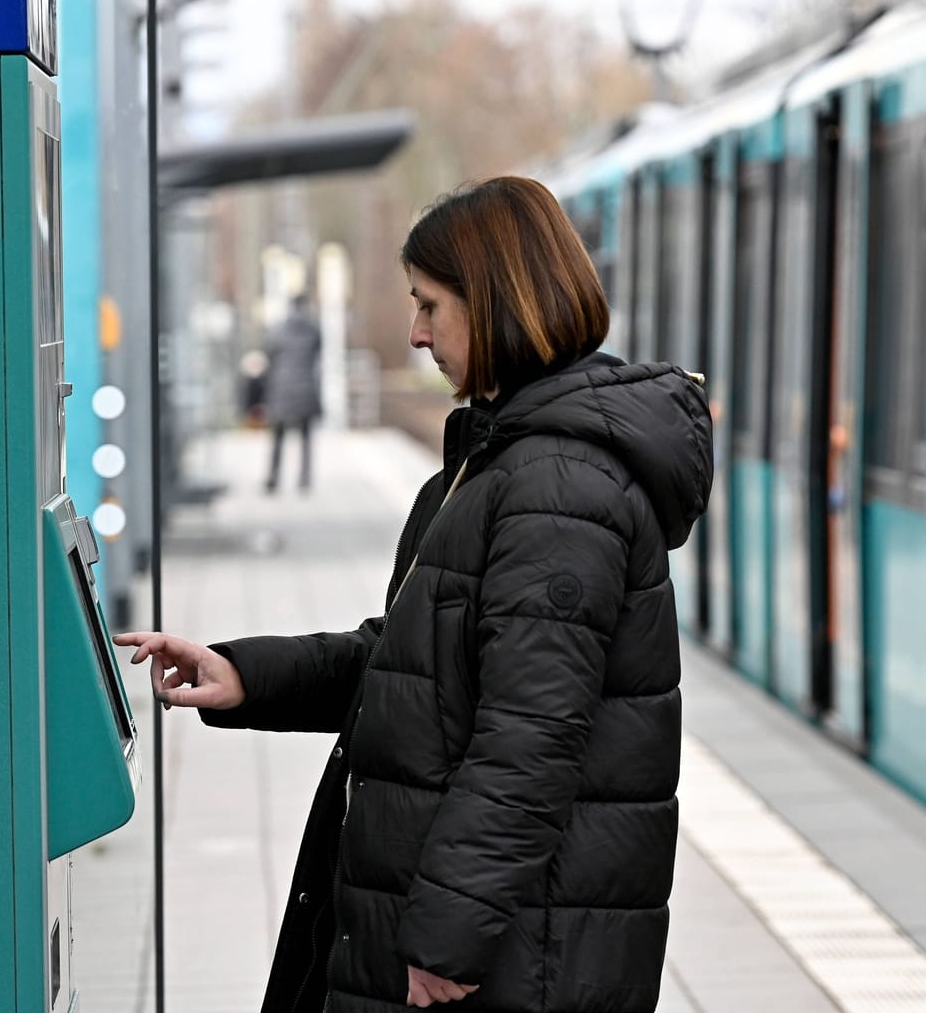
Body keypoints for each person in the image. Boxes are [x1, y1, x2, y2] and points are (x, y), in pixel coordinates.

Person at [116, 176, 711, 1012]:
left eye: (431, 305)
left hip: (504, 959)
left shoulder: (559, 486)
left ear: (499, 300)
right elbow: (417, 666)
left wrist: (448, 941)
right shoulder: (504, 459)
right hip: (484, 936)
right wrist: (246, 673)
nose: (416, 331)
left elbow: (529, 737)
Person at [264, 294, 323, 492]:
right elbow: (317, 354)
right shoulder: (313, 329)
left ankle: (273, 476)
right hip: (306, 388)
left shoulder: (278, 330)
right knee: (306, 436)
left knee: (277, 436)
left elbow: (270, 355)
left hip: (282, 388)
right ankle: (305, 478)